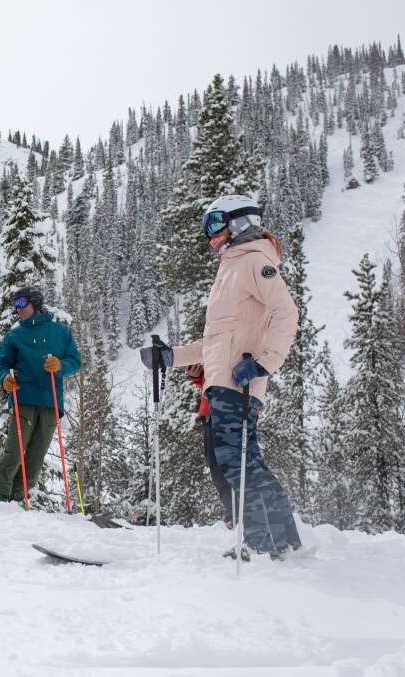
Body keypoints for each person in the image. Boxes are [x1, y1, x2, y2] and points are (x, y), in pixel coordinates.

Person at [140, 194, 301, 558]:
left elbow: (287, 313)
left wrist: (263, 363)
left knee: (238, 461)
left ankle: (264, 543)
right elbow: (216, 342)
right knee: (241, 460)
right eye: (206, 227)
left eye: (215, 224)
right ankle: (282, 539)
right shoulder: (230, 268)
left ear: (240, 222)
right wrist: (170, 357)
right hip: (224, 384)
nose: (209, 235)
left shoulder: (254, 262)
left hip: (238, 383)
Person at [0, 287, 81, 503]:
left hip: (50, 402)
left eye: (20, 303)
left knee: (36, 457)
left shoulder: (61, 332)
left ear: (35, 303)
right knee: (14, 452)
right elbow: (1, 364)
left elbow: (75, 361)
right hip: (24, 399)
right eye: (14, 305)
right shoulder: (15, 335)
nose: (16, 309)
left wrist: (60, 365)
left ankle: (19, 499)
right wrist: (5, 379)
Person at [186, 363, 234, 527]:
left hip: (228, 414)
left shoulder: (234, 346)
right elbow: (213, 382)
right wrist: (199, 378)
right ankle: (233, 511)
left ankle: (239, 511)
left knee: (228, 467)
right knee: (216, 468)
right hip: (210, 416)